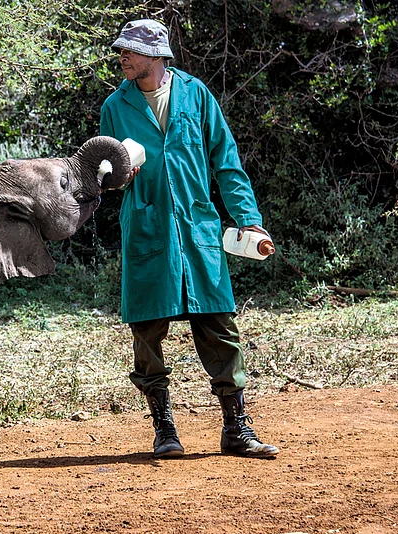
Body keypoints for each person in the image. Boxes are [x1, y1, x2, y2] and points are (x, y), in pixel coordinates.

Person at [99, 19, 279, 459]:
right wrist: (119, 179)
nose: (122, 55)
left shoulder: (196, 95)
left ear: (157, 55)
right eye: (122, 49)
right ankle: (164, 430)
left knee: (219, 323)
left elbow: (227, 163)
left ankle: (236, 428)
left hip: (198, 227)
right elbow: (102, 172)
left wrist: (249, 220)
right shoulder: (114, 106)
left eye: (131, 50)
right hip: (147, 227)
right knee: (146, 328)